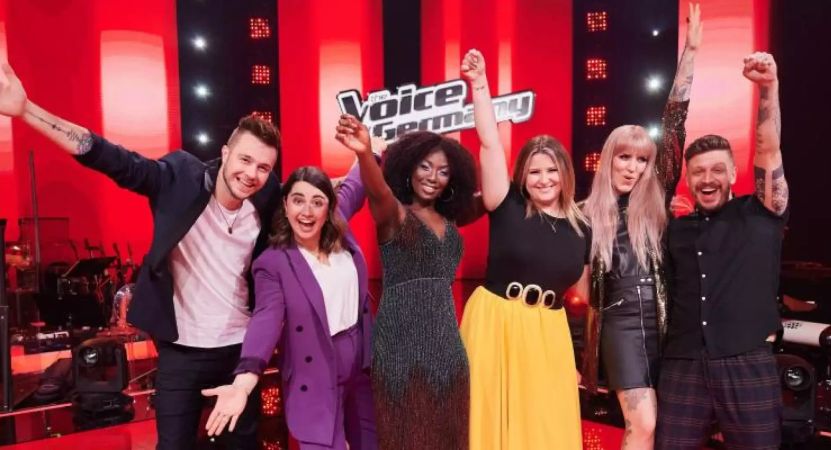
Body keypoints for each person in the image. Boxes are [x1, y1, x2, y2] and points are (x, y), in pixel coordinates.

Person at [0, 63, 280, 449]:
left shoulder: (265, 200)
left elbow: (319, 196)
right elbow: (109, 157)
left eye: (264, 167)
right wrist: (27, 110)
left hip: (238, 351)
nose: (252, 174)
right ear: (226, 151)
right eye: (245, 160)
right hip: (181, 352)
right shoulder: (180, 179)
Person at [580, 5, 700, 449]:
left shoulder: (658, 203)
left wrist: (690, 52)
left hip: (670, 324)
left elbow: (673, 126)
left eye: (641, 159)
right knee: (642, 423)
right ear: (608, 158)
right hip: (620, 325)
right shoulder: (584, 213)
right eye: (624, 157)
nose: (632, 167)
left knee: (667, 426)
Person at [201, 150, 378, 449]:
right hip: (315, 371)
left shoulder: (338, 224)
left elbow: (354, 185)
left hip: (360, 365)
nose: (307, 212)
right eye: (298, 200)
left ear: (329, 207)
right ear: (285, 204)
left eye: (317, 202)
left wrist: (371, 150)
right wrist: (245, 381)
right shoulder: (273, 263)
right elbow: (266, 319)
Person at [459, 49, 591, 450]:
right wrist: (480, 86)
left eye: (552, 170)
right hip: (494, 322)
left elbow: (583, 297)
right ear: (522, 175)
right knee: (489, 422)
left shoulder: (582, 226)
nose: (544, 178)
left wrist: (577, 360)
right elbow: (488, 143)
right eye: (534, 171)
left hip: (547, 333)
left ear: (565, 173)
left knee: (545, 429)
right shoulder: (506, 202)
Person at [655, 52, 787, 449]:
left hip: (747, 362)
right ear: (688, 179)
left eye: (717, 170)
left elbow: (769, 147)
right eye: (698, 172)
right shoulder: (674, 228)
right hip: (682, 363)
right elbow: (668, 147)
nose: (707, 178)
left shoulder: (761, 211)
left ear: (732, 173)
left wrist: (768, 89)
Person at [336, 114, 478, 449]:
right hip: (400, 347)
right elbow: (378, 191)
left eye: (443, 171)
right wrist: (364, 153)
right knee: (405, 437)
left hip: (447, 348)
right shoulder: (394, 214)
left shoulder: (452, 218)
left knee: (451, 436)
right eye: (426, 167)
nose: (433, 177)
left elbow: (499, 195)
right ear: (410, 167)